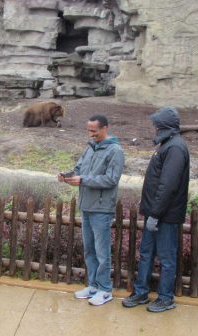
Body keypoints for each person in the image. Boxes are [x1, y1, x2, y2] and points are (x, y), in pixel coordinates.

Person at [122, 107, 190, 313]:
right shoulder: (166, 145)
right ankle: (141, 291)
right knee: (146, 253)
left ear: (164, 126)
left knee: (167, 258)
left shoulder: (176, 148)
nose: (154, 127)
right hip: (156, 213)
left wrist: (156, 214)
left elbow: (167, 185)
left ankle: (166, 298)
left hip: (165, 216)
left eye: (156, 124)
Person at [58, 114, 124, 306]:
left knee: (102, 252)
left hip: (101, 209)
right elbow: (78, 169)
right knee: (90, 250)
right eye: (89, 130)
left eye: (94, 131)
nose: (91, 134)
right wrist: (68, 176)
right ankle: (93, 285)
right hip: (86, 206)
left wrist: (84, 180)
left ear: (105, 128)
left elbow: (111, 179)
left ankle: (105, 289)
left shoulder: (115, 151)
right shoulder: (89, 148)